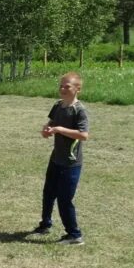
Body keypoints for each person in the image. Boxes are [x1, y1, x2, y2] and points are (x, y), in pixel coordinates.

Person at [33, 72, 90, 245]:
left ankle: (74, 235)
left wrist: (58, 129)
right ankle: (45, 225)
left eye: (67, 86)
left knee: (64, 199)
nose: (63, 89)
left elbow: (83, 135)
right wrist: (46, 130)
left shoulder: (79, 110)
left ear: (77, 89)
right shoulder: (58, 105)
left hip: (71, 163)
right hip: (56, 158)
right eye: (61, 85)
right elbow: (50, 123)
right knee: (48, 193)